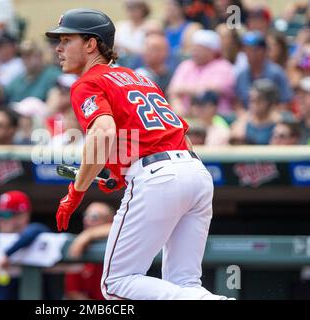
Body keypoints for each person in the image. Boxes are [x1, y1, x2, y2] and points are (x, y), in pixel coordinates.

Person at [46, 8, 231, 300]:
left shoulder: (87, 82)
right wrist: (121, 172)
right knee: (185, 284)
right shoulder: (139, 78)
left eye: (67, 40)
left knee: (115, 283)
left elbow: (103, 133)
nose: (58, 47)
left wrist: (76, 191)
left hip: (158, 177)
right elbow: (171, 134)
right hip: (195, 172)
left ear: (91, 44)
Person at [64, 202, 114, 300]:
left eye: (94, 216)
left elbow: (122, 227)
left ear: (109, 220)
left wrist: (89, 234)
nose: (87, 220)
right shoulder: (79, 244)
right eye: (86, 215)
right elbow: (74, 292)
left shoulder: (120, 239)